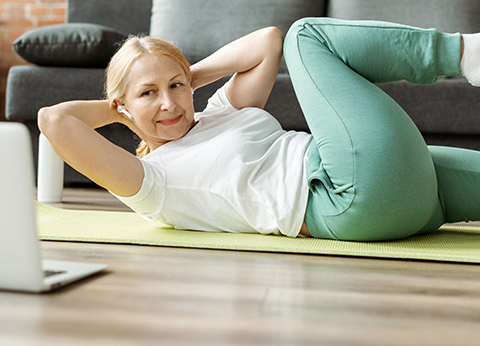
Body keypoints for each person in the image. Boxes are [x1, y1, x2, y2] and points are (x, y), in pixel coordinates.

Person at [38, 18, 480, 241]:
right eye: (148, 94)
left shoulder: (219, 111)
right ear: (122, 104)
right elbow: (54, 120)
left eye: (174, 87)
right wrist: (121, 110)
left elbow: (266, 40)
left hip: (405, 197)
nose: (169, 103)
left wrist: (187, 75)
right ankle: (464, 53)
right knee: (307, 37)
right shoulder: (149, 182)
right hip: (344, 197)